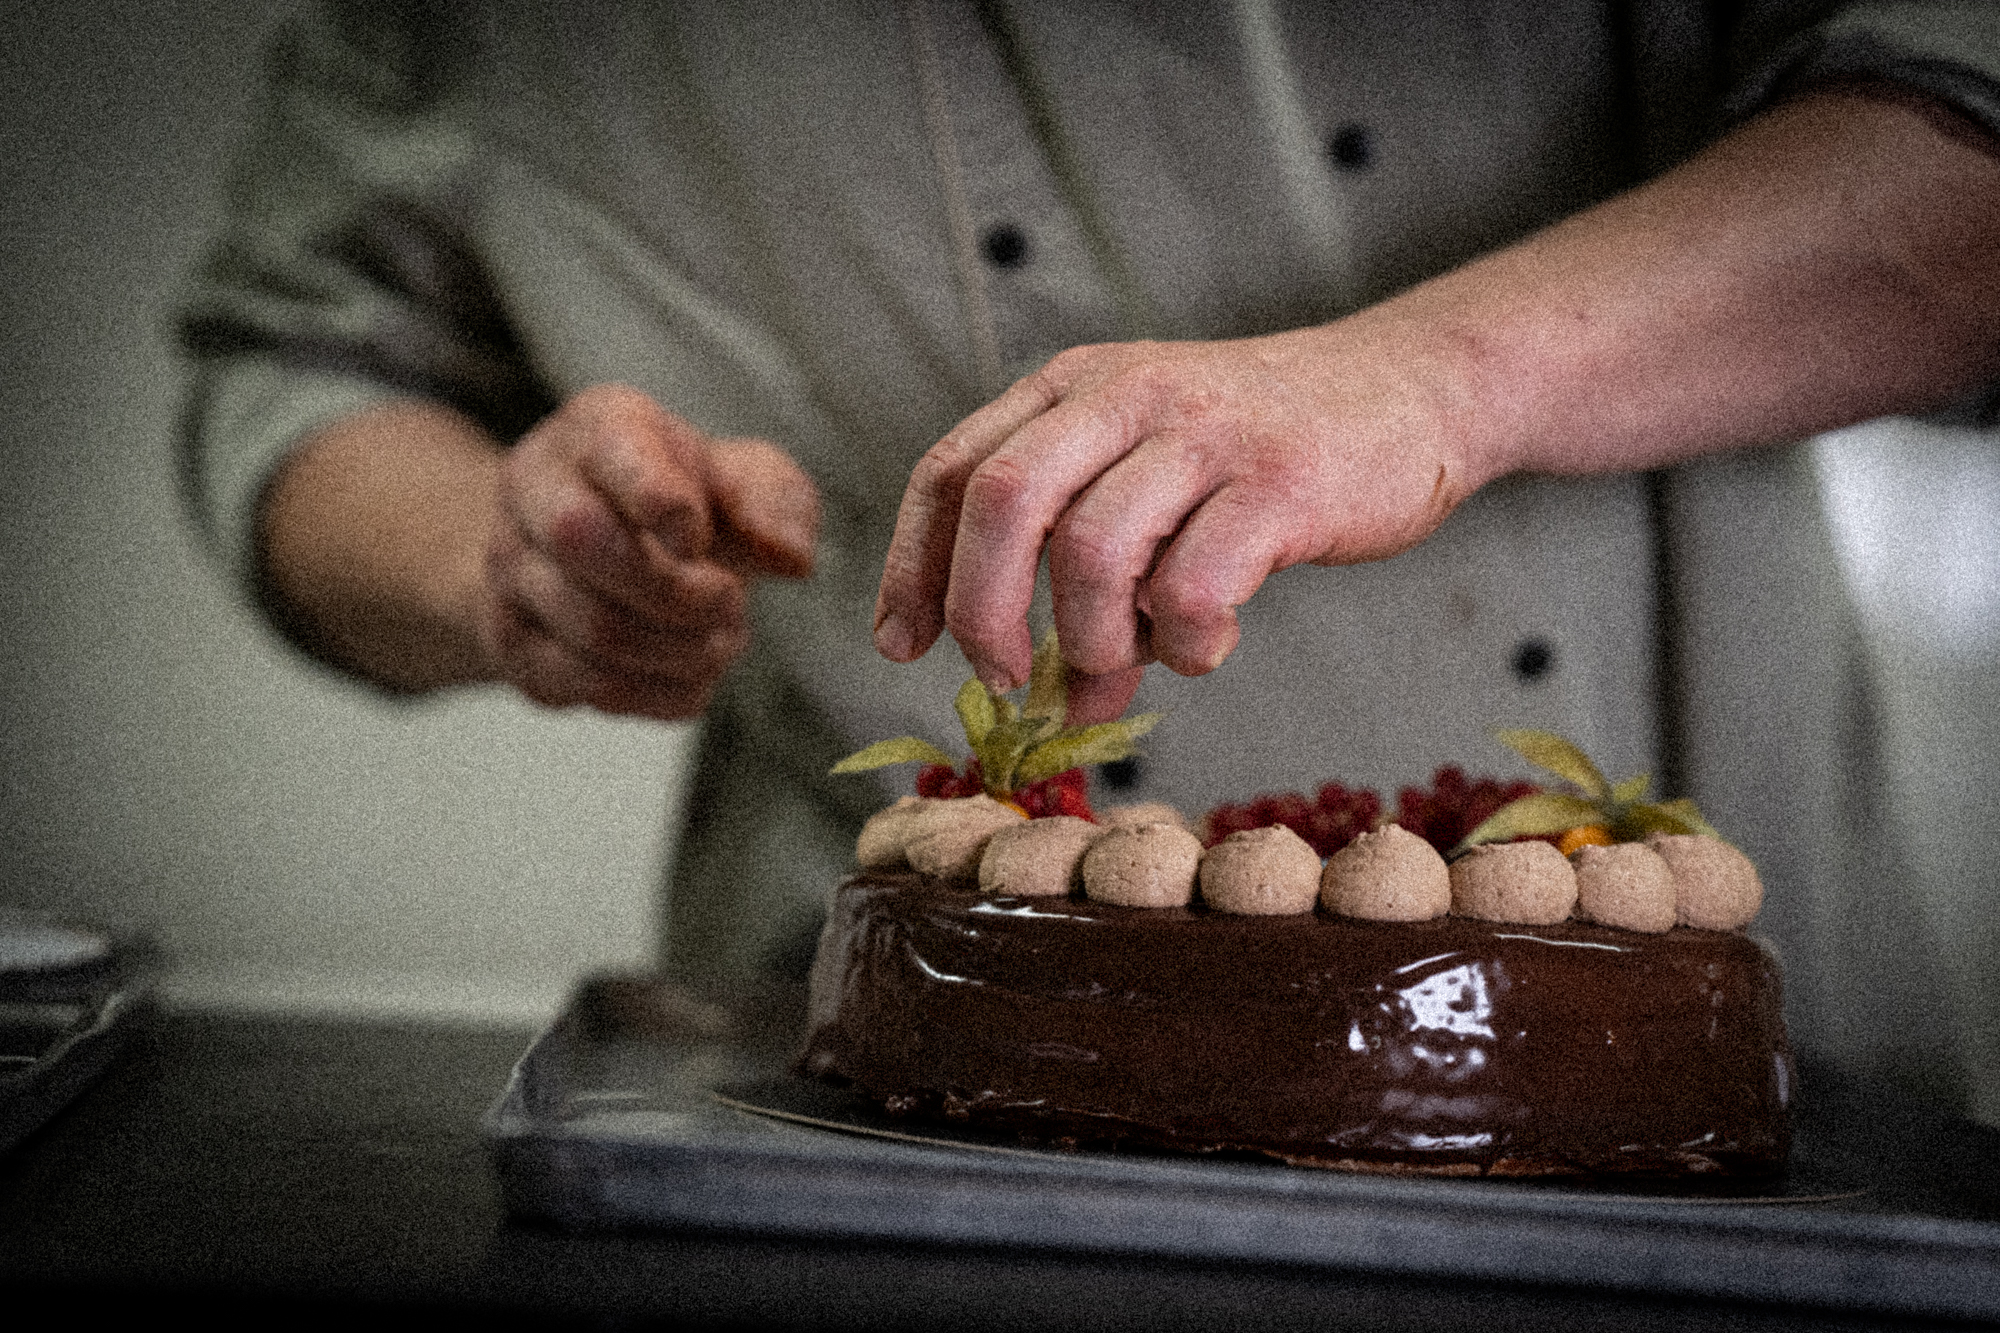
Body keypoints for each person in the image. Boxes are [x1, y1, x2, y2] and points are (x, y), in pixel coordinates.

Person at [179, 1, 2000, 1100]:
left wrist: (1441, 374)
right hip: (847, 1063)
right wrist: (493, 563)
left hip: (1711, 1061)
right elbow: (299, 360)